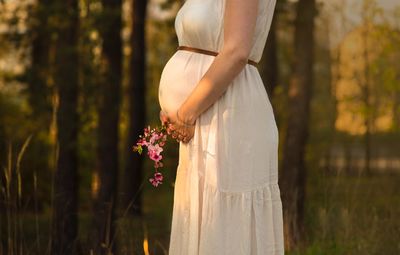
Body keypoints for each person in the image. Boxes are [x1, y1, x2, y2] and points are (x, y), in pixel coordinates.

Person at [158, 0, 284, 254]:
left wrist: (185, 113)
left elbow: (237, 51)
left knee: (225, 233)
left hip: (229, 120)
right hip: (205, 118)